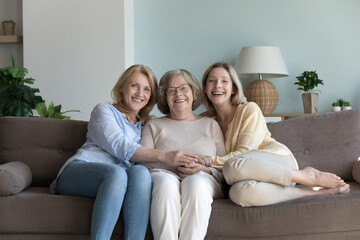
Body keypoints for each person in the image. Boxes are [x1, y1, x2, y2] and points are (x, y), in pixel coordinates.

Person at [50, 65, 198, 240]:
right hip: (79, 172)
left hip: (118, 179)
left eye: (146, 89)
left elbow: (185, 120)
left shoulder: (146, 124)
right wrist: (165, 156)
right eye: (134, 86)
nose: (139, 93)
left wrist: (236, 103)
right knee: (116, 173)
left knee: (141, 172)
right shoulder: (104, 111)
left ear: (151, 96)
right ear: (122, 88)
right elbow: (120, 146)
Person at [201, 62, 350, 207]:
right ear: (206, 89)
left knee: (232, 166)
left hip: (278, 163)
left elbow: (245, 152)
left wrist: (207, 163)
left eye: (224, 81)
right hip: (250, 177)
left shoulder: (249, 109)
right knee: (238, 193)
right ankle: (313, 193)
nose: (217, 85)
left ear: (233, 88)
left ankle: (307, 176)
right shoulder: (206, 122)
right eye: (212, 81)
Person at [140, 69, 226, 240]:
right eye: (171, 90)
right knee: (166, 184)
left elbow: (225, 165)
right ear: (164, 96)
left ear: (193, 92)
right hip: (163, 176)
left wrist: (204, 169)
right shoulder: (153, 125)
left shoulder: (210, 125)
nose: (178, 94)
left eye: (183, 88)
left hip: (204, 178)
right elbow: (142, 161)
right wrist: (169, 161)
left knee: (195, 183)